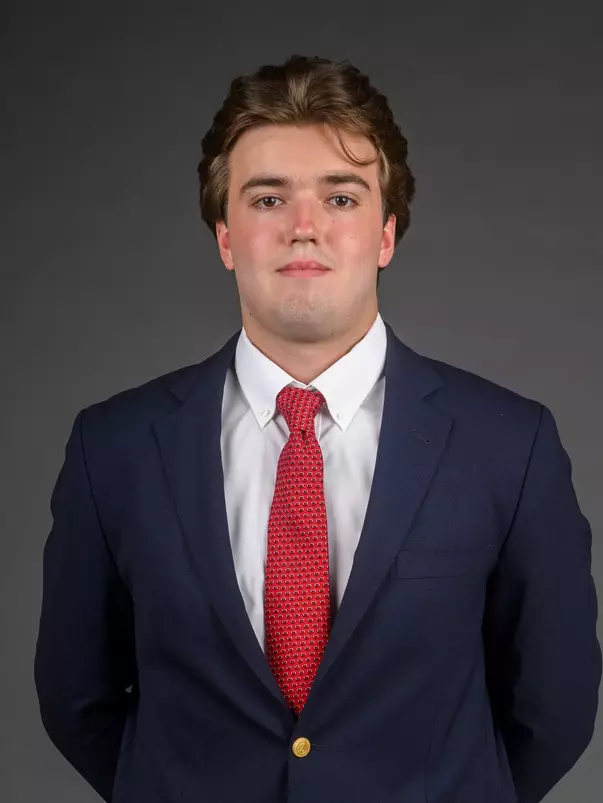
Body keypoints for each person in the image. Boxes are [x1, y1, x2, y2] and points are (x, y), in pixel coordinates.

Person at [34, 54, 601, 803]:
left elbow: (553, 706)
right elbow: (79, 699)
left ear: (386, 233)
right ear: (225, 236)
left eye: (340, 197)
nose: (304, 228)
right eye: (267, 199)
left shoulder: (508, 445)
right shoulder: (113, 448)